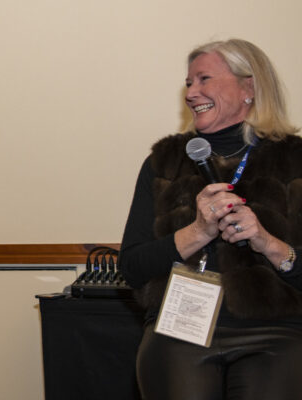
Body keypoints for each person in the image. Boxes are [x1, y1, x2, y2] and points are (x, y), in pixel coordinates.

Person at [119, 39, 302, 400]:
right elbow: (133, 267)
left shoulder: (295, 160)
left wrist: (269, 243)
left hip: (276, 331)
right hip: (180, 328)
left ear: (249, 87)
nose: (192, 93)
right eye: (189, 83)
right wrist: (198, 231)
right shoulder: (163, 161)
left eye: (204, 79)